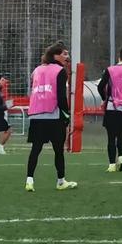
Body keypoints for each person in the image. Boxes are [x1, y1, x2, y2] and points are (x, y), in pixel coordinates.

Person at [25, 43, 77, 192]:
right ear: (56, 55)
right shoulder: (60, 71)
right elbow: (61, 96)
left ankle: (29, 180)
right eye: (64, 54)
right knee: (58, 150)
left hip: (36, 115)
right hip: (53, 115)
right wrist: (66, 115)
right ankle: (61, 181)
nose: (67, 56)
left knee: (36, 149)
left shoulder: (36, 70)